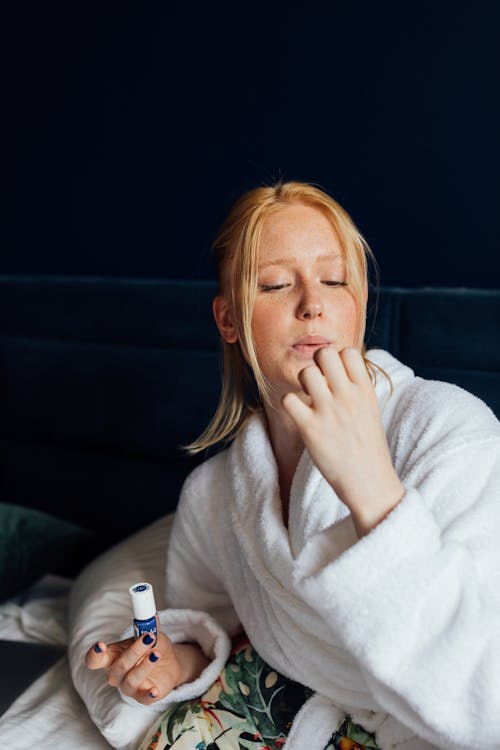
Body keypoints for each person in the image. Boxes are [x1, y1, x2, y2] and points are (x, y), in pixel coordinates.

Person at [86, 182, 500, 750]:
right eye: (278, 284)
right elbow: (211, 621)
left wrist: (372, 487)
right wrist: (173, 663)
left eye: (335, 280)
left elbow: (486, 695)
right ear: (228, 319)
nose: (313, 303)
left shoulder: (448, 430)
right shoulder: (215, 492)